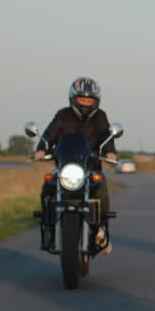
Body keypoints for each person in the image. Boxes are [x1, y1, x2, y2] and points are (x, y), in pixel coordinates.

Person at [34, 76, 118, 253]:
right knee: (48, 186)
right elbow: (51, 133)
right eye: (82, 99)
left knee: (101, 187)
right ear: (73, 98)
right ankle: (49, 225)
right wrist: (41, 148)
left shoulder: (100, 117)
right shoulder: (63, 115)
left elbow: (106, 135)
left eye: (90, 100)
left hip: (91, 168)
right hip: (66, 169)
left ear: (96, 101)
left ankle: (100, 229)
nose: (86, 103)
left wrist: (110, 152)